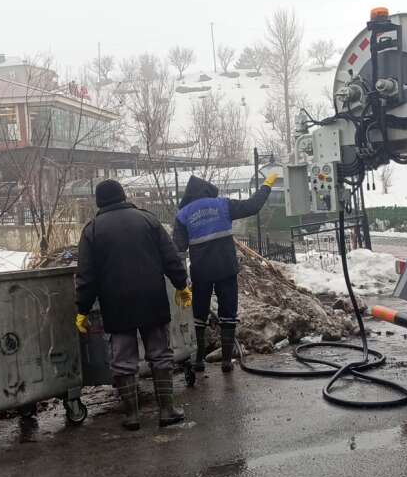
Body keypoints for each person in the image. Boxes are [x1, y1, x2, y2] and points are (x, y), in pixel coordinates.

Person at [75, 179, 191, 430]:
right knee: (160, 354)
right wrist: (181, 285)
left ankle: (132, 415)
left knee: (123, 360)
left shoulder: (92, 230)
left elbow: (86, 276)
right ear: (123, 195)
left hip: (117, 305)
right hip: (152, 298)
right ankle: (167, 410)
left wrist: (82, 310)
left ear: (98, 201)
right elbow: (170, 257)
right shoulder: (148, 220)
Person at [173, 172, 278, 373]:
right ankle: (227, 361)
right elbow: (252, 206)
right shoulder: (222, 205)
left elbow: (177, 248)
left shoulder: (183, 214)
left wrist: (180, 280)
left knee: (199, 314)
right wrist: (266, 185)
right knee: (228, 312)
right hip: (226, 267)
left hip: (201, 271)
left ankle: (198, 361)